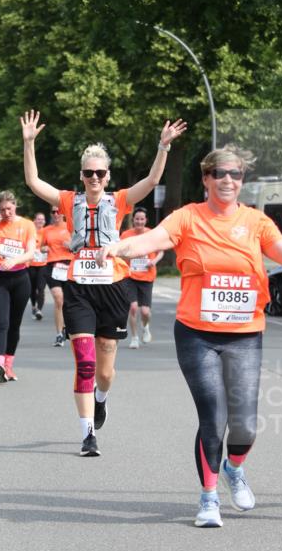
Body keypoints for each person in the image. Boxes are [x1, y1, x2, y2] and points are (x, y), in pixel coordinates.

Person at [98, 146, 282, 524]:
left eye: (236, 174)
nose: (228, 180)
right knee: (213, 415)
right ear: (206, 179)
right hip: (197, 334)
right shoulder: (188, 218)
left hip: (245, 333)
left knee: (244, 422)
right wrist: (119, 247)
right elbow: (151, 241)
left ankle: (234, 468)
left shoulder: (256, 221)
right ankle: (208, 497)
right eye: (220, 174)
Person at [21, 109, 187, 457]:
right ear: (81, 176)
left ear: (107, 175)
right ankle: (87, 435)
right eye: (88, 173)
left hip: (113, 287)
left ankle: (101, 397)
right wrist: (29, 143)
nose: (94, 177)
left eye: (100, 172)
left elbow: (152, 182)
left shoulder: (121, 200)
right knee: (84, 362)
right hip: (78, 287)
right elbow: (35, 184)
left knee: (106, 369)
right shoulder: (69, 200)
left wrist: (163, 147)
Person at [0, 191, 37, 383]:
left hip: (20, 278)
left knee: (14, 324)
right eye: (2, 210)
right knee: (1, 323)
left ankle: (8, 365)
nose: (6, 213)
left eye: (9, 208)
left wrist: (14, 260)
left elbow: (30, 253)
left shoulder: (27, 225)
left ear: (15, 205)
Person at [121, 206, 164, 348]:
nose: (139, 222)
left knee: (145, 311)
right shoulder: (126, 235)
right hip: (130, 275)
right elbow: (118, 252)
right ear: (133, 220)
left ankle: (145, 327)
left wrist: (154, 261)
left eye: (142, 219)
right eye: (137, 219)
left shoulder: (152, 234)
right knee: (132, 307)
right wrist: (125, 258)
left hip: (147, 277)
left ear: (145, 220)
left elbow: (161, 252)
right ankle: (134, 338)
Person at [42, 206, 73, 347]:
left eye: (58, 211)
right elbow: (39, 246)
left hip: (69, 265)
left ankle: (69, 327)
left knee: (69, 301)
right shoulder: (46, 230)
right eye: (53, 211)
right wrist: (43, 248)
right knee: (58, 298)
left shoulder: (71, 227)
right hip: (52, 266)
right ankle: (59, 334)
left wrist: (72, 245)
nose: (55, 214)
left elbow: (81, 245)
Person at [29, 211, 48, 320]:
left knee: (41, 288)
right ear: (34, 220)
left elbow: (51, 244)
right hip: (30, 263)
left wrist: (47, 248)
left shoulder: (47, 232)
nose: (40, 221)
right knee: (32, 288)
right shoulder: (30, 231)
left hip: (43, 264)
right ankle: (33, 306)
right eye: (38, 219)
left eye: (42, 219)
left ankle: (39, 310)